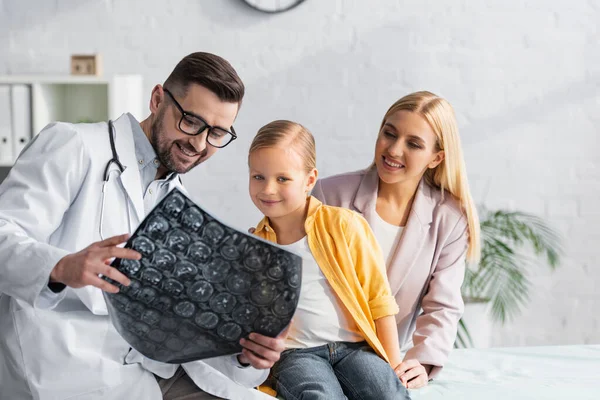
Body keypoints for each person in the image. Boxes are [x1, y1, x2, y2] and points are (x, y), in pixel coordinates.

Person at [0, 52, 286, 400]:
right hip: (65, 368)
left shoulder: (181, 205)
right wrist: (61, 267)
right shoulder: (75, 146)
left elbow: (184, 325)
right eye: (192, 121)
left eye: (216, 133)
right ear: (157, 99)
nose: (198, 144)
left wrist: (245, 355)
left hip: (144, 371)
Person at [313, 91, 481, 389]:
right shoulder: (328, 195)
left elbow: (443, 306)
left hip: (382, 359)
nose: (393, 150)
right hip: (316, 348)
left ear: (436, 158)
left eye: (413, 144)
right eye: (389, 133)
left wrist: (423, 360)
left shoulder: (450, 218)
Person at [248, 120, 410, 400]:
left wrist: (394, 365)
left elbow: (379, 300)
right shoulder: (254, 246)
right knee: (319, 396)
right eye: (258, 177)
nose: (268, 189)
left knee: (388, 393)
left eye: (282, 178)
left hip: (354, 348)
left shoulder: (346, 226)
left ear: (310, 180)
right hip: (296, 355)